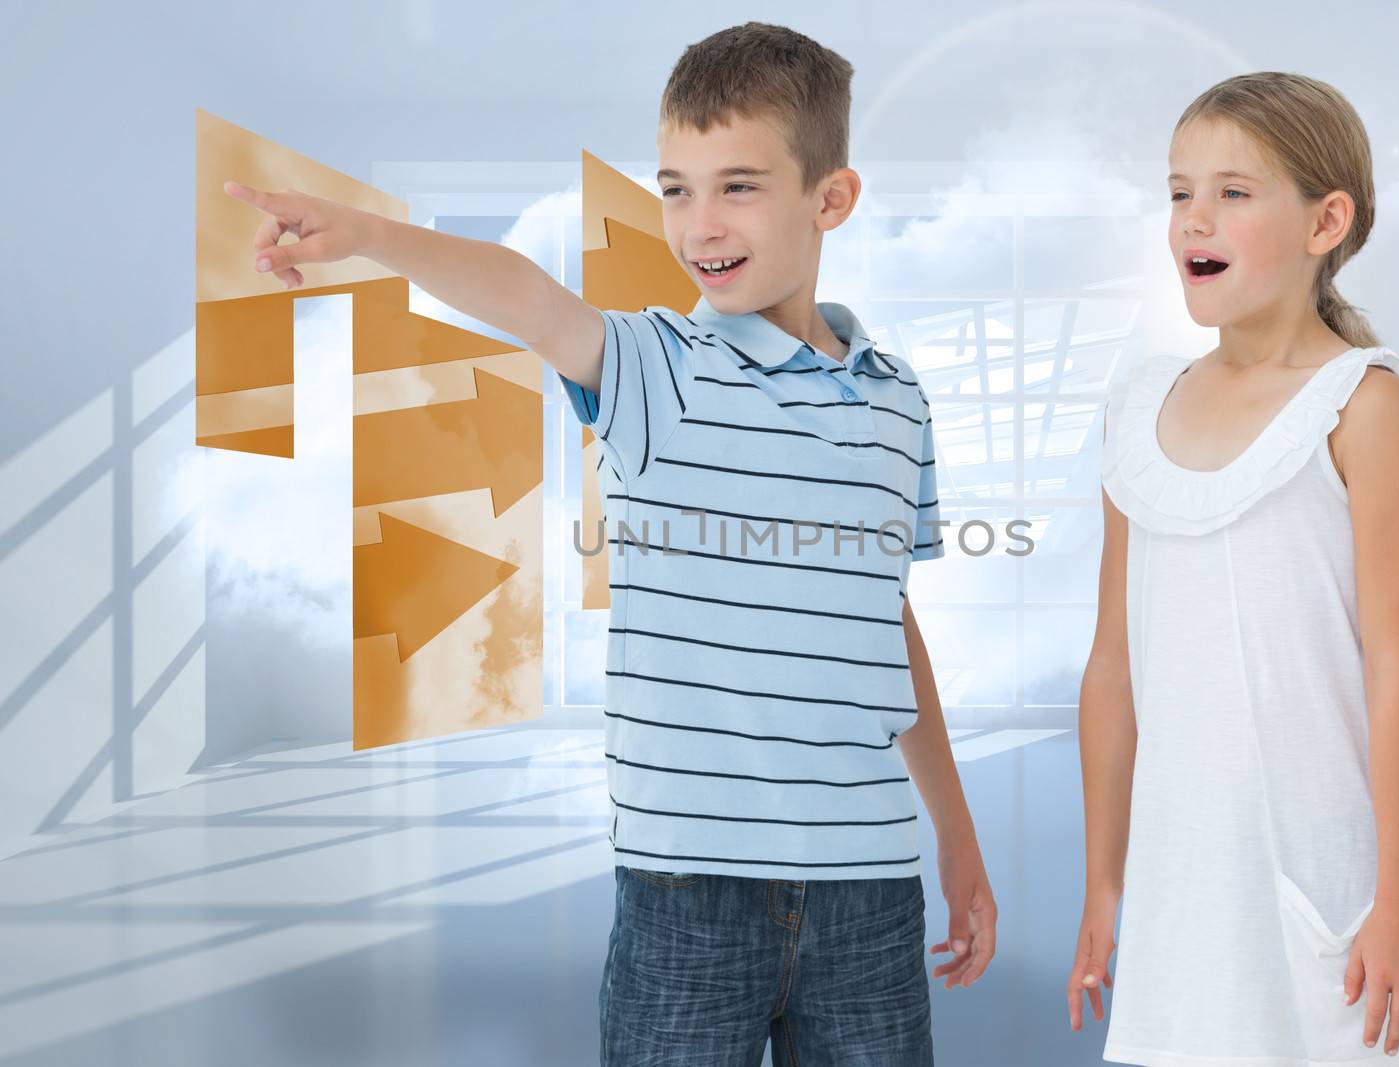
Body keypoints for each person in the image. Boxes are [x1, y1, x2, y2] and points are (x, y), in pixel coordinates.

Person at [226, 20, 995, 1066]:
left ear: (831, 199)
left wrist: (955, 834)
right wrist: (369, 232)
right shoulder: (655, 370)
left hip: (870, 886)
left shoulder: (898, 401)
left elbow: (885, 621)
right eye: (674, 187)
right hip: (685, 892)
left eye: (738, 185)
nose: (699, 222)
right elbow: (525, 295)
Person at [1069, 72, 1399, 1065]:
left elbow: (1397, 671)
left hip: (1316, 882)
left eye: (1232, 193)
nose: (1193, 216)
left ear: (1327, 220)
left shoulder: (1364, 408)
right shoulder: (1135, 407)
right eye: (1178, 191)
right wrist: (1103, 883)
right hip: (1172, 893)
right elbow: (1111, 668)